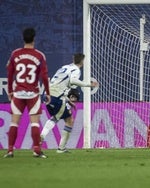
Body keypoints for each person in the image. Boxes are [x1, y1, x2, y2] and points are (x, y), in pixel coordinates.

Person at [4, 27, 51, 158]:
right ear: (34, 39)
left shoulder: (15, 53)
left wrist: (10, 91)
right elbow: (44, 76)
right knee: (35, 123)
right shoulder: (39, 55)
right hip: (33, 94)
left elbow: (10, 74)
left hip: (18, 93)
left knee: (14, 122)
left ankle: (10, 150)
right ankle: (36, 150)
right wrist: (48, 93)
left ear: (23, 39)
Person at [40, 53, 98, 153]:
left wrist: (67, 100)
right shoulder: (76, 70)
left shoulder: (65, 67)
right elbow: (73, 80)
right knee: (68, 119)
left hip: (47, 94)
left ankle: (44, 137)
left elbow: (59, 84)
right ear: (82, 61)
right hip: (56, 96)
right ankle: (58, 146)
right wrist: (88, 84)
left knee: (56, 117)